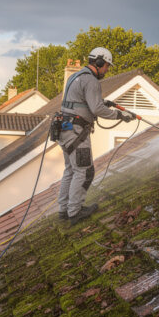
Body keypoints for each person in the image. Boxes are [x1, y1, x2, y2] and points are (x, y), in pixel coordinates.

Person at [57, 47, 135, 224]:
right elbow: (97, 110)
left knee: (71, 169)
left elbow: (80, 101)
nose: (107, 70)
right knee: (84, 171)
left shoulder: (74, 77)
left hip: (64, 129)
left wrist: (102, 101)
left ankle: (64, 210)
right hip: (76, 132)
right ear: (99, 62)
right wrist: (121, 116)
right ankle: (75, 212)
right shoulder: (91, 81)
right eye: (107, 65)